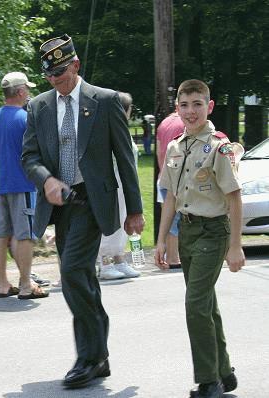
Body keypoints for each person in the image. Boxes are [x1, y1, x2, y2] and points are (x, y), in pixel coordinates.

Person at [21, 34, 144, 389]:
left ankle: (87, 358)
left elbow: (125, 158)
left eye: (60, 72)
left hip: (94, 200)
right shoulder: (40, 106)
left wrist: (134, 210)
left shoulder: (105, 102)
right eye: (49, 75)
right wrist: (46, 181)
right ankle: (99, 354)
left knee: (73, 271)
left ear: (75, 65)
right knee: (84, 279)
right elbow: (28, 157)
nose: (55, 80)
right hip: (61, 205)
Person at [155, 79, 245, 398]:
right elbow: (169, 197)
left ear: (209, 107)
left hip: (213, 230)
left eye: (197, 104)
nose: (190, 111)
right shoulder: (176, 147)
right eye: (184, 105)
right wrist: (162, 239)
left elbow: (234, 197)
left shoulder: (219, 147)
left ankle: (209, 382)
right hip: (188, 230)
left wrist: (235, 246)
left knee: (195, 304)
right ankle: (224, 371)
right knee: (206, 302)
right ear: (177, 108)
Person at [0, 72, 49, 299]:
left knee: (1, 235)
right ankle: (26, 284)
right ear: (21, 91)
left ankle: (4, 284)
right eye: (28, 89)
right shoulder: (25, 120)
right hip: (22, 183)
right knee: (24, 235)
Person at [99, 91, 140, 280]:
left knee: (124, 221)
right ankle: (103, 262)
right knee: (111, 222)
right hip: (113, 185)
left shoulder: (122, 130)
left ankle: (119, 258)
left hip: (127, 187)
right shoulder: (107, 130)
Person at [156, 108, 185, 269]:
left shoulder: (163, 124)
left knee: (167, 219)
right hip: (176, 178)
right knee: (175, 220)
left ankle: (167, 254)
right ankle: (173, 258)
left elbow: (160, 150)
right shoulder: (185, 125)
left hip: (163, 176)